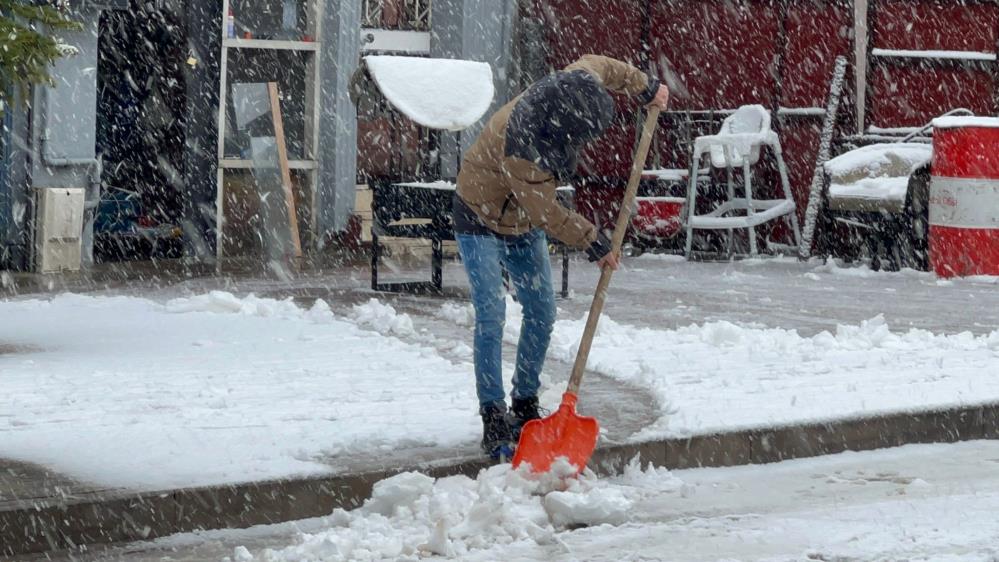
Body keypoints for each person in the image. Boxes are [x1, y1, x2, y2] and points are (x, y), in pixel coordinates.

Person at [453, 54, 671, 458]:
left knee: (541, 311)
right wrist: (594, 241)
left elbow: (605, 66)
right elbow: (547, 213)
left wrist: (644, 86)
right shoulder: (520, 144)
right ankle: (493, 414)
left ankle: (524, 404)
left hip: (523, 222)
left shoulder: (578, 80)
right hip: (479, 218)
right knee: (491, 315)